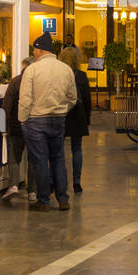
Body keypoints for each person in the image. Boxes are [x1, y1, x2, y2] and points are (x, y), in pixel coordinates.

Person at [19, 33, 77, 211]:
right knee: (58, 158)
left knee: (40, 161)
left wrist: (23, 119)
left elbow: (25, 99)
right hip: (58, 120)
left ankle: (43, 200)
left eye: (35, 49)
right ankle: (63, 199)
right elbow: (73, 98)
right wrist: (61, 110)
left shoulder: (32, 70)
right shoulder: (65, 69)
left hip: (36, 120)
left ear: (40, 50)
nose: (34, 52)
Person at [0, 56, 34, 203]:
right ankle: (33, 190)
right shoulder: (37, 81)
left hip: (16, 125)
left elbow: (6, 106)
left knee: (14, 157)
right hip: (34, 126)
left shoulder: (15, 81)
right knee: (33, 160)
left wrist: (2, 127)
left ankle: (13, 185)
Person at [59, 46, 91, 194]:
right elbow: (87, 99)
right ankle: (77, 182)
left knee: (59, 149)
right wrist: (87, 118)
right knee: (76, 149)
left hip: (62, 112)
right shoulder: (81, 76)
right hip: (78, 113)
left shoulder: (59, 74)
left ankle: (60, 180)